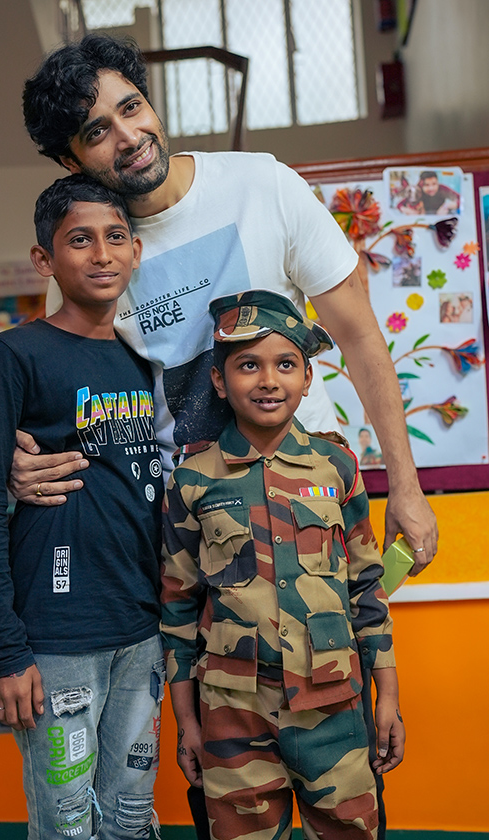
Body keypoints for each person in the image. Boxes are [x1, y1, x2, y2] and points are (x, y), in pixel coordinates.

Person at [13, 34, 437, 575]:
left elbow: (359, 338)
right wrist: (15, 457)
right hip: (188, 519)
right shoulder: (91, 257)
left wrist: (405, 485)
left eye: (131, 107)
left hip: (306, 488)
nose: (129, 137)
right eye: (97, 131)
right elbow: (63, 390)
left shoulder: (263, 185)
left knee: (330, 652)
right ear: (70, 160)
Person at [0, 174, 165, 840]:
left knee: (132, 817)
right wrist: (4, 651)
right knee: (68, 824)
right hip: (54, 641)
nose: (101, 254)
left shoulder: (148, 358)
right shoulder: (14, 355)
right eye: (80, 240)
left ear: (135, 250)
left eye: (114, 238)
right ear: (46, 259)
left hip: (141, 630)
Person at [161, 289, 404, 839]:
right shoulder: (193, 479)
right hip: (232, 714)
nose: (269, 380)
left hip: (335, 709)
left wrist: (387, 698)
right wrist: (186, 725)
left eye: (286, 364)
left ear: (307, 378)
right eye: (248, 365)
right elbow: (177, 610)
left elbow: (367, 590)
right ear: (221, 381)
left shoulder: (337, 465)